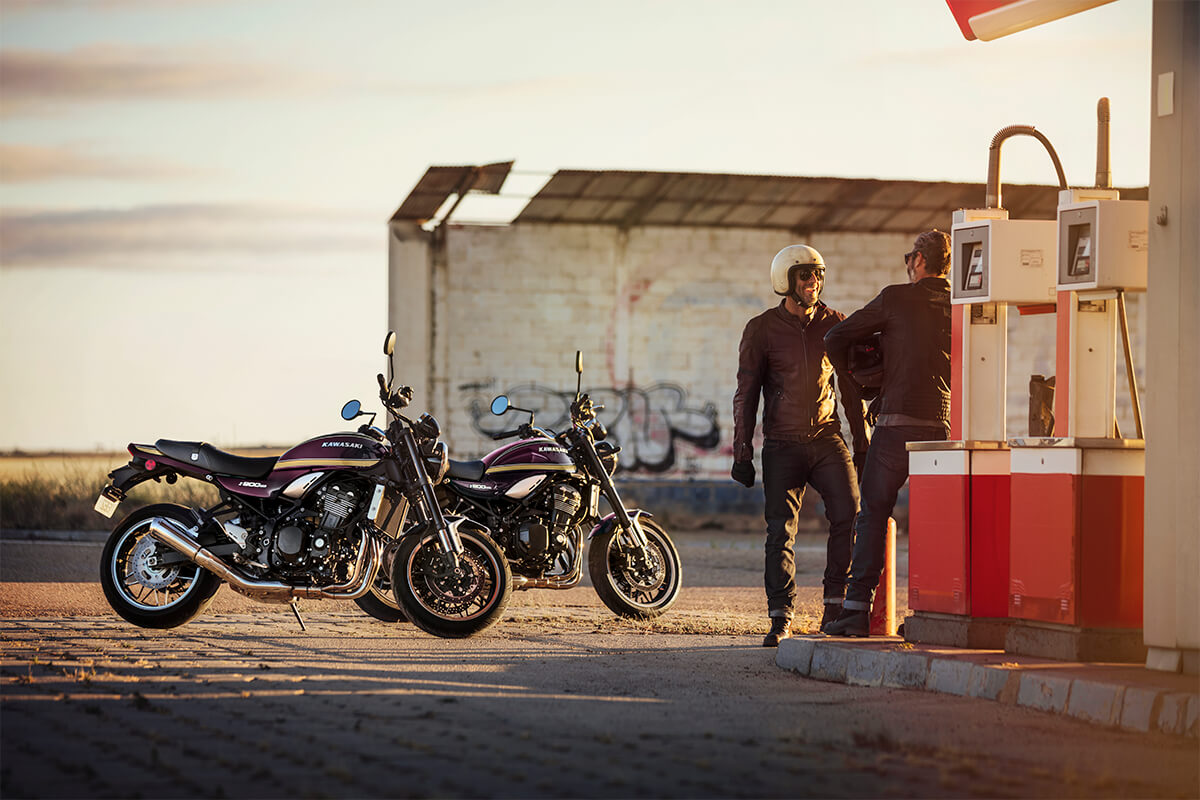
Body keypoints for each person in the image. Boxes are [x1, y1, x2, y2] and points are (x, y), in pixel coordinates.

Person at [732, 244, 870, 647]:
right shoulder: (761, 329)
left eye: (818, 275)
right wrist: (742, 452)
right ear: (786, 282)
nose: (814, 283)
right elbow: (747, 393)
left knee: (850, 514)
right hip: (782, 445)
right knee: (780, 533)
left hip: (828, 439)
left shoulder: (835, 324)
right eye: (805, 276)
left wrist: (861, 444)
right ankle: (781, 616)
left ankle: (834, 606)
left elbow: (851, 390)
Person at [821, 230, 953, 636]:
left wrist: (861, 383)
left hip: (896, 426)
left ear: (918, 260)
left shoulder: (896, 298)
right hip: (942, 430)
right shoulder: (960, 302)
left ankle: (857, 611)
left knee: (874, 513)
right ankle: (941, 610)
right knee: (940, 521)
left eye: (908, 259)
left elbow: (836, 336)